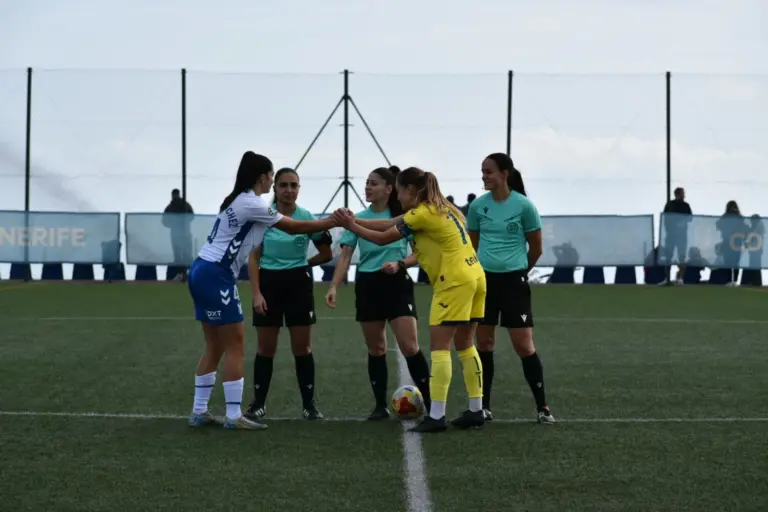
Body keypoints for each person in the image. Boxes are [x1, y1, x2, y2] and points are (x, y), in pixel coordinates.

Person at [186, 152, 337, 430]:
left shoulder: (236, 199)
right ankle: (233, 416)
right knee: (235, 345)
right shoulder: (252, 202)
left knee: (216, 345)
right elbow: (292, 227)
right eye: (272, 177)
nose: (274, 183)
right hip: (216, 274)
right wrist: (332, 221)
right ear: (264, 177)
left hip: (200, 269)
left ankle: (199, 411)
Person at [333, 167, 486, 433]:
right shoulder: (445, 208)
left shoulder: (422, 213)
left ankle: (436, 416)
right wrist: (355, 222)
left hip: (453, 281)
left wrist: (351, 225)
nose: (399, 197)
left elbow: (383, 237)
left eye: (400, 190)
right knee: (465, 345)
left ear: (410, 191)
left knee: (440, 348)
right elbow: (388, 223)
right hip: (475, 275)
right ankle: (476, 409)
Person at [325, 166, 432, 420]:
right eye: (367, 183)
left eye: (374, 183)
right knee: (377, 348)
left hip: (397, 283)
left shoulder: (405, 216)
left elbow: (421, 251)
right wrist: (333, 286)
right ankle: (379, 406)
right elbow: (346, 256)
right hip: (368, 285)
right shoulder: (357, 218)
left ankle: (431, 403)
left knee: (410, 346)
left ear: (389, 188)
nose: (368, 187)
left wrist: (401, 263)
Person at [467, 153, 554, 425]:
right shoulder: (478, 206)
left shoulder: (524, 206)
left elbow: (536, 248)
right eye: (482, 172)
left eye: (489, 172)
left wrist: (519, 271)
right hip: (484, 282)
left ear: (505, 173)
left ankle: (543, 407)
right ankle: (484, 406)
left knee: (524, 346)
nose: (484, 177)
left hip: (514, 282)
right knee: (484, 343)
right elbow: (472, 245)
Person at [245, 168, 334, 421]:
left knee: (302, 348)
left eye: (293, 185)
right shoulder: (264, 217)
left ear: (299, 188)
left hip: (298, 285)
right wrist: (256, 294)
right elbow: (253, 257)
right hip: (268, 284)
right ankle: (258, 404)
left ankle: (309, 405)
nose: (288, 190)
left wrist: (305, 265)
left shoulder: (307, 218)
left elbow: (327, 253)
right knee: (265, 348)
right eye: (283, 185)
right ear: (275, 188)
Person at [660, 187, 693, 286]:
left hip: (682, 235)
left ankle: (681, 279)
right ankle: (667, 278)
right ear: (677, 194)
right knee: (668, 256)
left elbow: (690, 218)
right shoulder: (670, 204)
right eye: (682, 193)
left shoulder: (686, 206)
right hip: (671, 235)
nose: (684, 195)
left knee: (681, 256)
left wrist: (682, 222)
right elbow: (665, 217)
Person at [162, 189, 194, 281]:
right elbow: (191, 216)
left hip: (179, 234)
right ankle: (183, 273)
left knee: (182, 255)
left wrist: (173, 224)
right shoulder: (184, 205)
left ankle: (183, 274)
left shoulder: (171, 207)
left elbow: (164, 221)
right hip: (182, 233)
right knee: (182, 254)